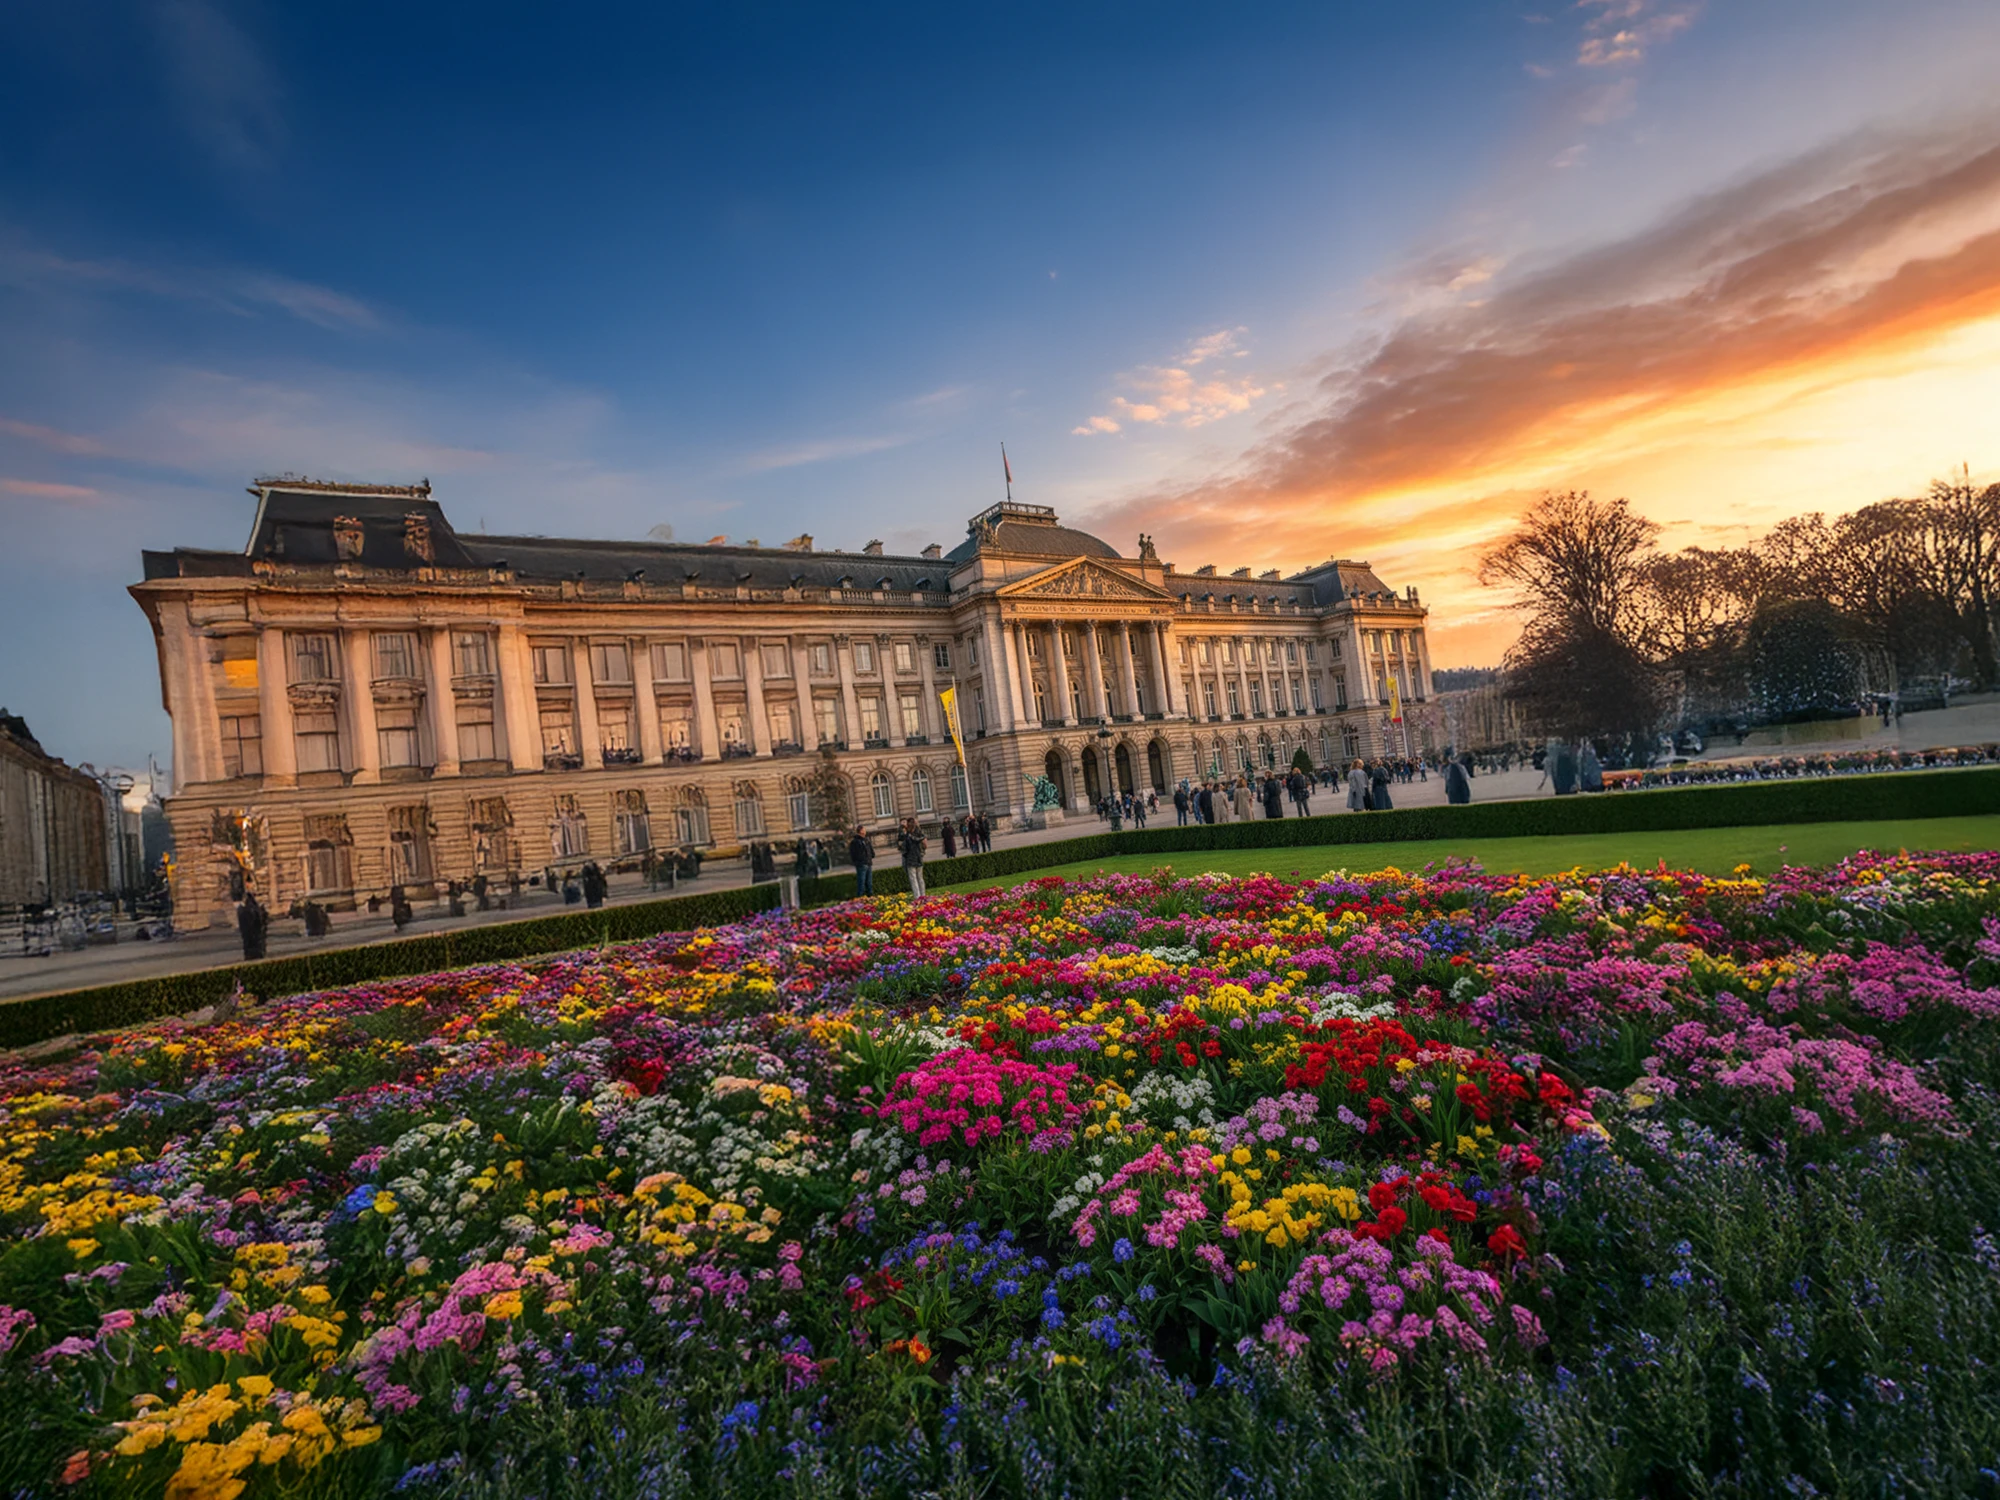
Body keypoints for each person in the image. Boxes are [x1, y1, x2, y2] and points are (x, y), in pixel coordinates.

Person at [898, 817, 928, 901]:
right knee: (920, 878)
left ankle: (917, 896)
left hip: (911, 858)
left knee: (913, 879)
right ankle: (923, 895)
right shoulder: (919, 833)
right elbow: (924, 844)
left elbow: (903, 847)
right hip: (918, 857)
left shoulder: (907, 835)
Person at [237, 890, 269, 961]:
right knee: (254, 945)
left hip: (249, 932)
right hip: (253, 932)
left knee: (250, 944)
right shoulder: (253, 908)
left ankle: (251, 955)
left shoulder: (244, 909)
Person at [848, 825, 875, 896]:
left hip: (868, 863)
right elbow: (853, 854)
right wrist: (858, 861)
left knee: (869, 883)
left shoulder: (866, 840)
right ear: (860, 831)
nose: (865, 831)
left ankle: (870, 898)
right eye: (864, 829)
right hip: (861, 864)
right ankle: (860, 900)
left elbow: (871, 850)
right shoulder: (855, 842)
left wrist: (872, 855)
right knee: (861, 884)